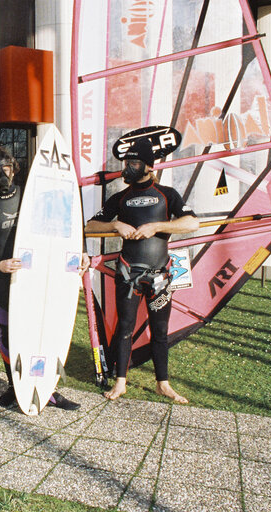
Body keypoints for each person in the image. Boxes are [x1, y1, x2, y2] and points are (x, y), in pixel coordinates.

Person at [0, 147, 85, 410]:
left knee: (45, 329)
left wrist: (78, 255)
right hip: (7, 280)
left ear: (14, 168)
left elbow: (63, 227)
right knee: (9, 335)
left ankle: (48, 390)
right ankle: (14, 386)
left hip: (39, 278)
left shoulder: (33, 198)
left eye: (5, 168)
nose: (1, 174)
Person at [84, 137, 199, 403]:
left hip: (160, 275)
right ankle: (120, 383)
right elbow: (90, 226)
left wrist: (158, 227)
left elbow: (192, 223)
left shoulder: (167, 194)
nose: (128, 167)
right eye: (126, 163)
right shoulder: (120, 198)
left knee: (160, 331)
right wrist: (116, 226)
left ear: (149, 166)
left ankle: (163, 384)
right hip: (127, 274)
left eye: (134, 162)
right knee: (124, 328)